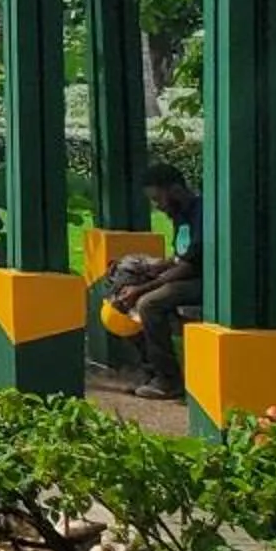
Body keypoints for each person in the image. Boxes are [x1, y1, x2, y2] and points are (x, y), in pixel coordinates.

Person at [111, 162, 204, 400]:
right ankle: (151, 371)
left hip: (208, 281)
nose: (157, 206)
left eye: (157, 198)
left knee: (148, 304)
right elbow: (179, 256)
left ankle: (168, 381)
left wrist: (143, 288)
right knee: (119, 295)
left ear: (174, 190)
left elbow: (189, 265)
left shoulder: (201, 212)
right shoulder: (179, 214)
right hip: (186, 274)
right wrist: (147, 267)